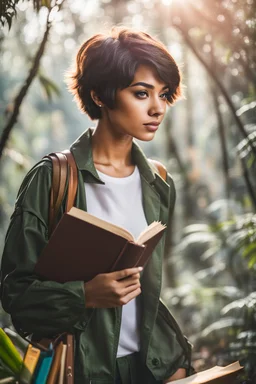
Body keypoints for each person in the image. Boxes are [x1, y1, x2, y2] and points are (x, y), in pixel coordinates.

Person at [0, 27, 193, 383]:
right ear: (99, 95)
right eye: (141, 93)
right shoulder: (52, 178)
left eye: (164, 95)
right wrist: (85, 295)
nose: (157, 108)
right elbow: (15, 294)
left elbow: (146, 293)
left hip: (150, 369)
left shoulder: (159, 181)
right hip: (83, 370)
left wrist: (175, 361)